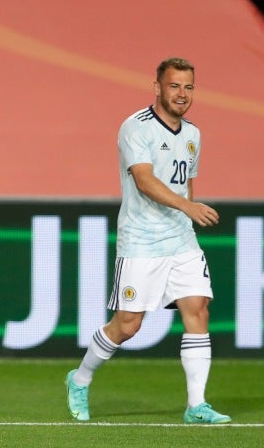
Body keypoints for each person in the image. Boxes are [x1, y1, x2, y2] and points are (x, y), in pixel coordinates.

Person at [66, 57, 230, 424]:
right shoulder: (135, 128)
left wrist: (188, 212)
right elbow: (144, 180)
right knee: (128, 325)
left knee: (198, 309)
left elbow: (186, 181)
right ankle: (80, 378)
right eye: (174, 86)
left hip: (182, 242)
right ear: (157, 87)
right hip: (141, 242)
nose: (182, 94)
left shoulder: (193, 134)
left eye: (188, 87)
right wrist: (188, 206)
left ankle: (196, 406)